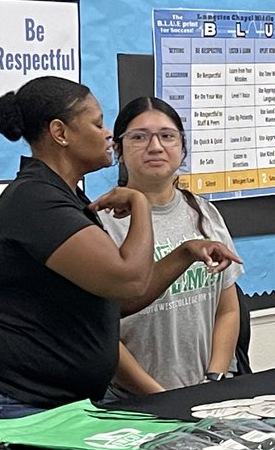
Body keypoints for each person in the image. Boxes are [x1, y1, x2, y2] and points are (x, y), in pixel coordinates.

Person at [0, 76, 238, 433]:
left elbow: (118, 299)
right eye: (97, 124)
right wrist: (140, 204)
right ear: (60, 133)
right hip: (6, 398)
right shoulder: (36, 200)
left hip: (53, 401)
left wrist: (186, 253)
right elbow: (129, 280)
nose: (107, 134)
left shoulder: (66, 197)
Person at [101, 96, 244, 392]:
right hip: (133, 399)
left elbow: (228, 310)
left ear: (182, 147)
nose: (155, 147)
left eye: (167, 136)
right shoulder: (102, 222)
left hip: (206, 390)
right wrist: (158, 396)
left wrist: (214, 378)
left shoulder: (204, 212)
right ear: (118, 150)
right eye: (139, 137)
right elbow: (101, 331)